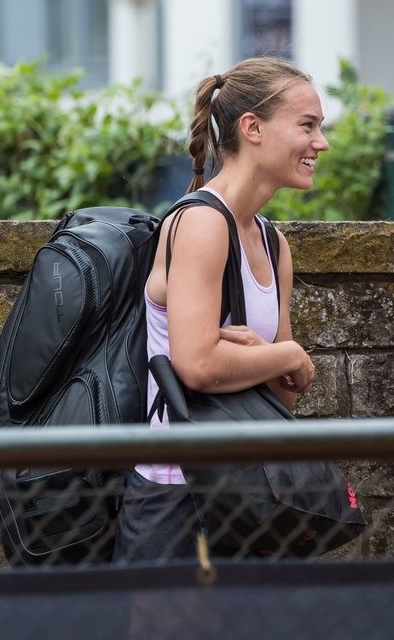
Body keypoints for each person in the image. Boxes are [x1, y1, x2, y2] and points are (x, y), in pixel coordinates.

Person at [114, 58, 325, 561]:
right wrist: (288, 355)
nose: (321, 143)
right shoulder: (204, 224)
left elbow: (283, 396)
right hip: (179, 496)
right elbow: (199, 365)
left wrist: (269, 360)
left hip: (249, 488)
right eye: (307, 126)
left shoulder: (273, 243)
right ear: (252, 127)